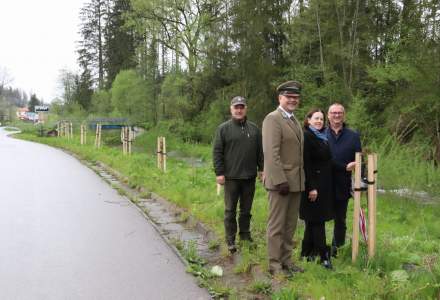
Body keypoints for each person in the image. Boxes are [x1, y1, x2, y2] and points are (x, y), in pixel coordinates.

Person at [300, 108, 356, 269]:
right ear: (308, 120)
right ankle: (324, 257)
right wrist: (311, 187)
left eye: (321, 119)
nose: (319, 121)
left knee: (312, 221)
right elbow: (306, 164)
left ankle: (306, 253)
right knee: (318, 222)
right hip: (313, 187)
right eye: (316, 118)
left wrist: (345, 166)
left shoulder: (321, 137)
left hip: (323, 186)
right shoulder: (307, 136)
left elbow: (329, 161)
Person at [262, 81, 305, 276]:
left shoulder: (294, 120)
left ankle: (286, 261)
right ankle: (274, 264)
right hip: (280, 183)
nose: (292, 100)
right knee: (277, 226)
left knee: (290, 225)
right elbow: (271, 153)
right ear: (280, 98)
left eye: (295, 98)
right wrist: (280, 181)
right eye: (289, 97)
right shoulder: (273, 119)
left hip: (295, 182)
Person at [213, 96, 263, 253]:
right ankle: (230, 240)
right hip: (231, 177)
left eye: (242, 107)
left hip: (249, 177)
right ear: (231, 109)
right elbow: (217, 152)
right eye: (236, 107)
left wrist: (262, 169)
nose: (239, 110)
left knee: (246, 211)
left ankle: (245, 236)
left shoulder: (254, 129)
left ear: (246, 109)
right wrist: (219, 173)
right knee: (230, 211)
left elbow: (260, 152)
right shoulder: (223, 129)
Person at [325, 103, 361, 256]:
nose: (337, 115)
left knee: (340, 220)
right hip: (323, 183)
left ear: (344, 115)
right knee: (318, 219)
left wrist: (358, 167)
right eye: (333, 113)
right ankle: (318, 248)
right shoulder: (321, 134)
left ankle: (336, 250)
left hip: (343, 184)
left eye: (339, 113)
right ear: (328, 115)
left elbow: (359, 160)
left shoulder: (353, 136)